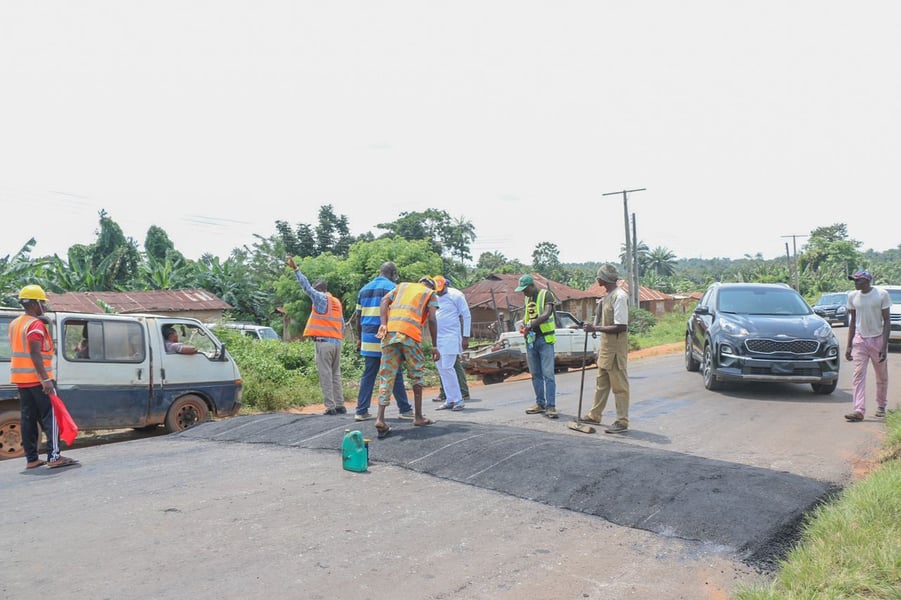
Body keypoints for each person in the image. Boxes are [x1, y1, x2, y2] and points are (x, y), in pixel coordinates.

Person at [8, 285, 78, 469]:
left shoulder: (15, 323)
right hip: (38, 379)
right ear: (34, 303)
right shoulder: (35, 324)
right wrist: (45, 379)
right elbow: (35, 353)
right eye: (42, 303)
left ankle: (31, 459)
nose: (44, 306)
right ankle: (54, 457)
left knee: (28, 418)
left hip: (21, 380)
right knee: (51, 416)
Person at [373, 278, 439, 438]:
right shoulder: (430, 294)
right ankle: (418, 417)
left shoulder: (401, 287)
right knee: (416, 374)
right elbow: (431, 318)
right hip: (410, 336)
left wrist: (383, 323)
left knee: (386, 375)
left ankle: (380, 419)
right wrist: (435, 345)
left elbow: (383, 301)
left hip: (390, 334)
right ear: (431, 286)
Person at [352, 261, 414, 422]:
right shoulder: (394, 288)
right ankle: (405, 409)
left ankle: (361, 411)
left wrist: (360, 339)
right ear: (393, 274)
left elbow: (358, 317)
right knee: (395, 371)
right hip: (387, 335)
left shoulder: (363, 289)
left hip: (368, 337)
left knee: (369, 374)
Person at [287, 256, 346, 415]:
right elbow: (342, 324)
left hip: (324, 343)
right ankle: (340, 405)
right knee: (336, 374)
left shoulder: (320, 298)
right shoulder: (336, 302)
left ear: (319, 289)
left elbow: (306, 288)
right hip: (337, 343)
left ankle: (330, 407)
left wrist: (296, 269)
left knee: (325, 374)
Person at [580, 264, 631, 434]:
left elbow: (621, 326)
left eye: (599, 277)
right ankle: (594, 415)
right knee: (601, 384)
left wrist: (595, 329)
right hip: (605, 348)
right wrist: (592, 326)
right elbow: (601, 320)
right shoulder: (607, 297)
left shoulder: (620, 296)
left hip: (616, 349)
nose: (597, 279)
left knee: (619, 386)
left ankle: (622, 421)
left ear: (603, 279)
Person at [844, 270, 891, 422]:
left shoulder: (881, 295)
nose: (855, 283)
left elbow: (887, 321)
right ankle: (859, 410)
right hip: (860, 340)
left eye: (858, 281)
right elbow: (852, 322)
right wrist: (849, 345)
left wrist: (883, 346)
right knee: (858, 376)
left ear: (867, 281)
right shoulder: (852, 296)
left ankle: (881, 406)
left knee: (881, 375)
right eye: (854, 281)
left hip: (877, 339)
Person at [423, 276, 471, 411]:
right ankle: (450, 399)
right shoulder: (432, 296)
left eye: (440, 289)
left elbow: (466, 315)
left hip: (451, 337)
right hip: (437, 339)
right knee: (441, 369)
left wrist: (466, 336)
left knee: (449, 368)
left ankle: (459, 400)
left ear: (446, 285)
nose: (438, 291)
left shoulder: (456, 295)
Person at [516, 274, 559, 418]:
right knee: (535, 374)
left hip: (545, 339)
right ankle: (540, 403)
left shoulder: (546, 295)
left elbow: (546, 314)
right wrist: (524, 323)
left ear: (532, 286)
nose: (524, 292)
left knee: (548, 375)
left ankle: (551, 406)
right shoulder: (527, 298)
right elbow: (528, 315)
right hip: (531, 340)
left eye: (525, 289)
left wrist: (530, 325)